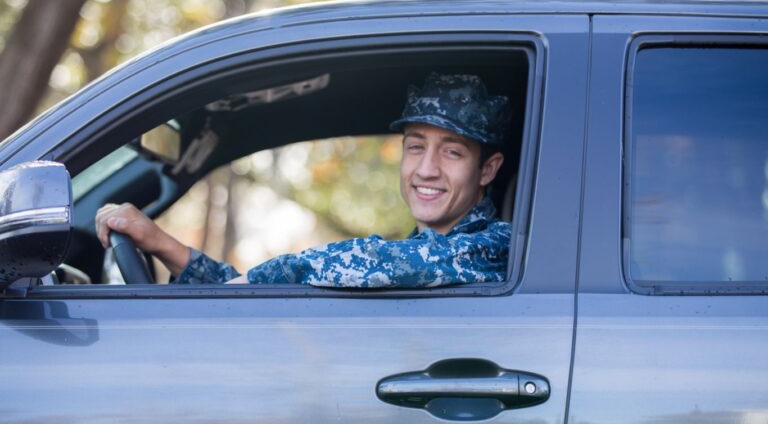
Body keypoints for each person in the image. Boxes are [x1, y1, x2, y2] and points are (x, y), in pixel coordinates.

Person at [95, 72, 512, 287]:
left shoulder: (492, 249)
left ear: (487, 170)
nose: (426, 169)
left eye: (452, 151)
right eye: (416, 146)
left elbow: (371, 264)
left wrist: (276, 272)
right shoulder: (419, 250)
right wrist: (162, 245)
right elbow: (261, 296)